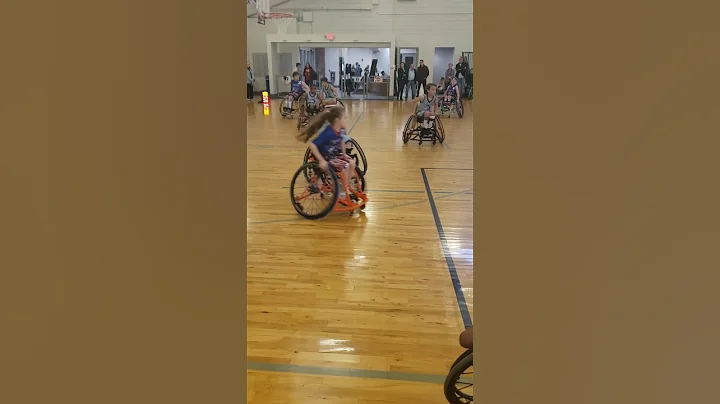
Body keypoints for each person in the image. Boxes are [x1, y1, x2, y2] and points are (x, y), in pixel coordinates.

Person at [297, 107, 357, 202]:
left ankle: (341, 187)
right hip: (324, 158)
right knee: (345, 167)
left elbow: (341, 140)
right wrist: (321, 160)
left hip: (333, 155)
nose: (347, 119)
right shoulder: (328, 133)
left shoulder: (341, 130)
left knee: (352, 163)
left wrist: (344, 154)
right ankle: (340, 190)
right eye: (345, 117)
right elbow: (312, 145)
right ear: (337, 120)